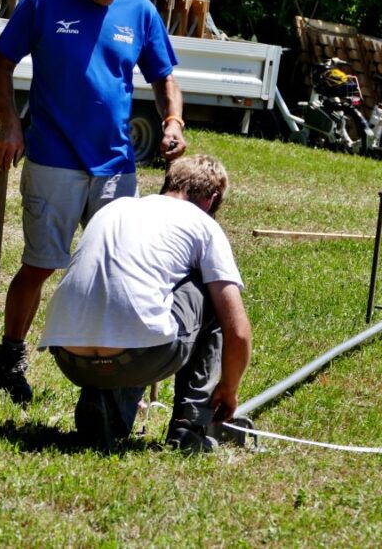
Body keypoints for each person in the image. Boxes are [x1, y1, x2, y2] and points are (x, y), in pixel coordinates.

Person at [0, 0, 187, 404]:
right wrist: (9, 123)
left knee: (124, 269)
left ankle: (119, 374)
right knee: (39, 265)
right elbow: (1, 65)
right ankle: (11, 359)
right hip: (53, 158)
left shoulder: (139, 11)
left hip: (116, 167)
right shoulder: (43, 1)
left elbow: (164, 77)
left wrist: (173, 121)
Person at [38, 155, 252, 453]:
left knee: (141, 298)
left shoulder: (113, 208)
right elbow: (237, 330)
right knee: (211, 295)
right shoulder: (203, 224)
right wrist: (228, 389)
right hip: (141, 355)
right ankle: (189, 428)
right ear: (211, 200)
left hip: (69, 356)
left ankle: (103, 403)